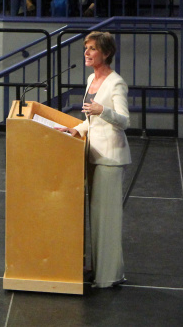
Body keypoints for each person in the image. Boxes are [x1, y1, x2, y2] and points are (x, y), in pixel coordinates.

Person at [55, 32, 130, 289]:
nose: (86, 53)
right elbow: (90, 120)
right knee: (95, 218)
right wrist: (76, 129)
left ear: (106, 53)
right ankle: (100, 271)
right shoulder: (91, 79)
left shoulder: (116, 83)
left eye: (92, 49)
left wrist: (103, 110)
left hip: (109, 158)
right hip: (91, 153)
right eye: (85, 48)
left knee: (106, 220)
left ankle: (108, 277)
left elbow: (124, 120)